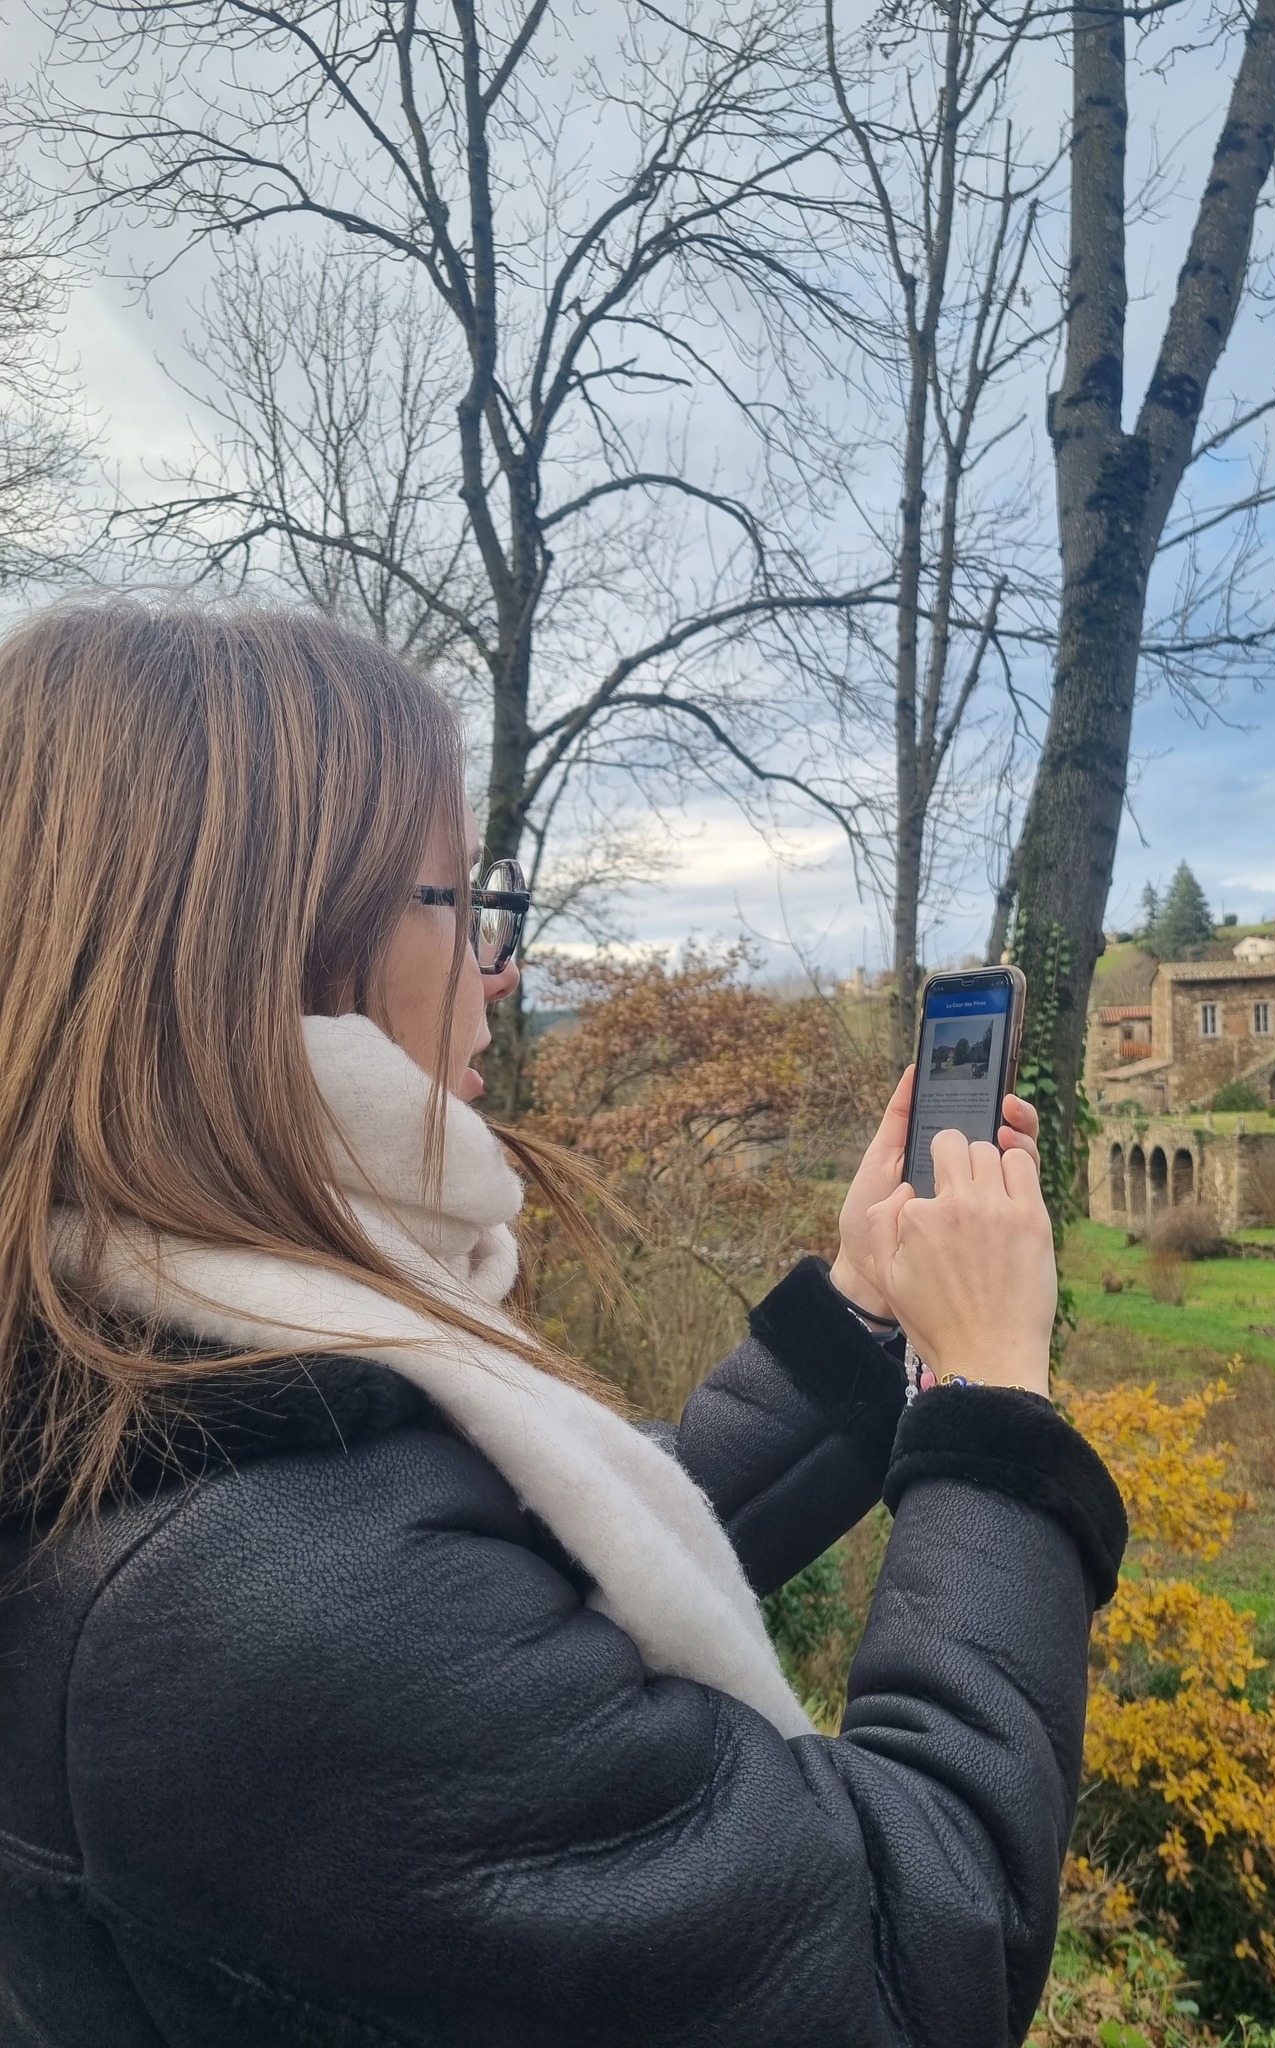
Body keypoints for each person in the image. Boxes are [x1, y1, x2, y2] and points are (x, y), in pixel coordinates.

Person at [0, 600, 1126, 2048]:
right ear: (274, 941)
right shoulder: (270, 1612)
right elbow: (911, 1953)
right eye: (457, 905)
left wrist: (859, 1314)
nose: (498, 966)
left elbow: (527, 1571)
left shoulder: (136, 1372)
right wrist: (992, 1411)